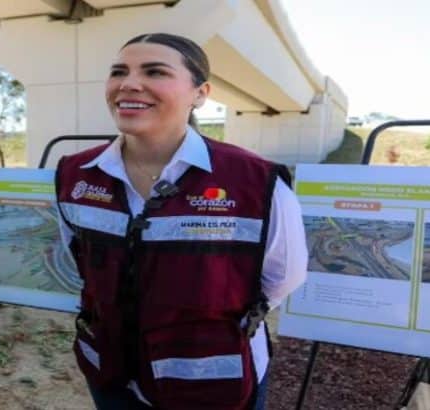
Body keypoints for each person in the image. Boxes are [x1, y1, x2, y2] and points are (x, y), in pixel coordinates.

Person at [55, 33, 307, 409]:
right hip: (111, 373)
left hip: (213, 383)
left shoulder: (256, 180)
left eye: (155, 71)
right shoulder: (75, 174)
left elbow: (284, 277)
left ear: (200, 94)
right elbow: (77, 257)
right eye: (119, 72)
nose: (129, 83)